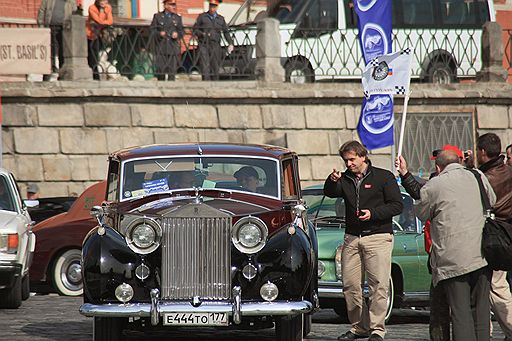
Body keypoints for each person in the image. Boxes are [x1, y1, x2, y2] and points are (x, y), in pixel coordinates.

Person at [324, 140, 403, 341]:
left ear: (362, 156)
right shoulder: (345, 178)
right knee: (350, 286)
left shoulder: (383, 177)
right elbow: (330, 192)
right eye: (345, 160)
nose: (349, 164)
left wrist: (373, 213)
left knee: (378, 285)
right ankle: (359, 327)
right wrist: (332, 180)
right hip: (352, 238)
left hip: (378, 236)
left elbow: (397, 206)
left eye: (352, 159)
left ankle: (377, 329)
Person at [414, 150, 496, 341]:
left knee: (461, 313)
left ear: (438, 167)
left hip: (453, 257)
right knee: (481, 310)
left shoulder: (435, 184)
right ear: (460, 161)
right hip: (482, 252)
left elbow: (420, 212)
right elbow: (491, 201)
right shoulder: (477, 175)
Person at [475, 133, 512, 341]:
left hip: (491, 236)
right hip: (504, 234)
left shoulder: (484, 177)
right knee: (496, 286)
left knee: (494, 287)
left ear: (482, 152)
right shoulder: (508, 171)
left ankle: (486, 333)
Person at [37, 0, 80, 81]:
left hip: (64, 29)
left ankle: (62, 75)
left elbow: (74, 14)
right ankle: (47, 74)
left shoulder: (71, 2)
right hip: (50, 27)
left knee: (63, 52)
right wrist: (41, 26)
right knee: (49, 52)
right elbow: (42, 11)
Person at [193, 0, 234, 80]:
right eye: (211, 6)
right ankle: (206, 85)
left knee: (215, 66)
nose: (212, 8)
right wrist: (202, 34)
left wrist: (230, 43)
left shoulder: (220, 19)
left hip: (215, 45)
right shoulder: (202, 17)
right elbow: (195, 29)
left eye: (214, 6)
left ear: (217, 7)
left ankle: (215, 85)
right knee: (205, 66)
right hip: (204, 44)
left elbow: (226, 32)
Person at [150, 0, 184, 81]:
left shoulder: (177, 17)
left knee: (172, 72)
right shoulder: (158, 16)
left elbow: (182, 31)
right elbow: (152, 30)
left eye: (174, 5)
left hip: (172, 48)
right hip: (161, 47)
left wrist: (177, 35)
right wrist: (159, 33)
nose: (173, 7)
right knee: (161, 71)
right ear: (165, 5)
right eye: (171, 5)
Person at [86, 0, 113, 80]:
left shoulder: (108, 7)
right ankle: (94, 76)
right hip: (90, 34)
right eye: (101, 0)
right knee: (91, 56)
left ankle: (96, 75)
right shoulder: (92, 8)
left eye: (105, 0)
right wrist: (101, 10)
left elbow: (110, 21)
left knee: (95, 55)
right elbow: (99, 20)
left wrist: (104, 21)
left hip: (98, 34)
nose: (103, 2)